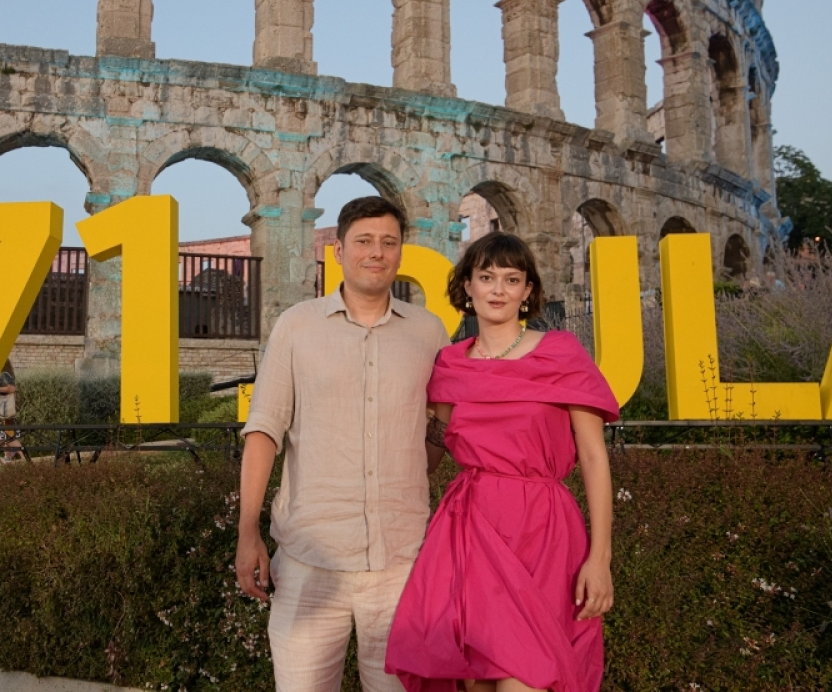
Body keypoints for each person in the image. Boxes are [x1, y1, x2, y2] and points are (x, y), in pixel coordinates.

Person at [384, 233, 619, 692]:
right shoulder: (450, 363)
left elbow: (594, 458)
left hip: (544, 533)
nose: (498, 290)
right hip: (469, 529)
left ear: (527, 290)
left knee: (527, 674)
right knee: (475, 680)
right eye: (487, 277)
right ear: (467, 286)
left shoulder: (561, 354)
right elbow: (433, 449)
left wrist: (600, 557)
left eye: (511, 279)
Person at [236, 197, 450, 692]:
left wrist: (413, 465)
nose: (376, 252)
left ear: (400, 252)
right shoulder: (298, 325)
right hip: (310, 561)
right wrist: (248, 531)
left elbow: (441, 420)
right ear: (338, 251)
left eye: (389, 242)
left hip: (401, 564)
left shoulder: (428, 332)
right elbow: (264, 429)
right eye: (364, 241)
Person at [0, 368, 24, 462]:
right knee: (1, 439)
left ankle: (24, 457)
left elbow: (11, 388)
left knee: (11, 440)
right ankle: (8, 456)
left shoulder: (5, 379)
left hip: (7, 419)